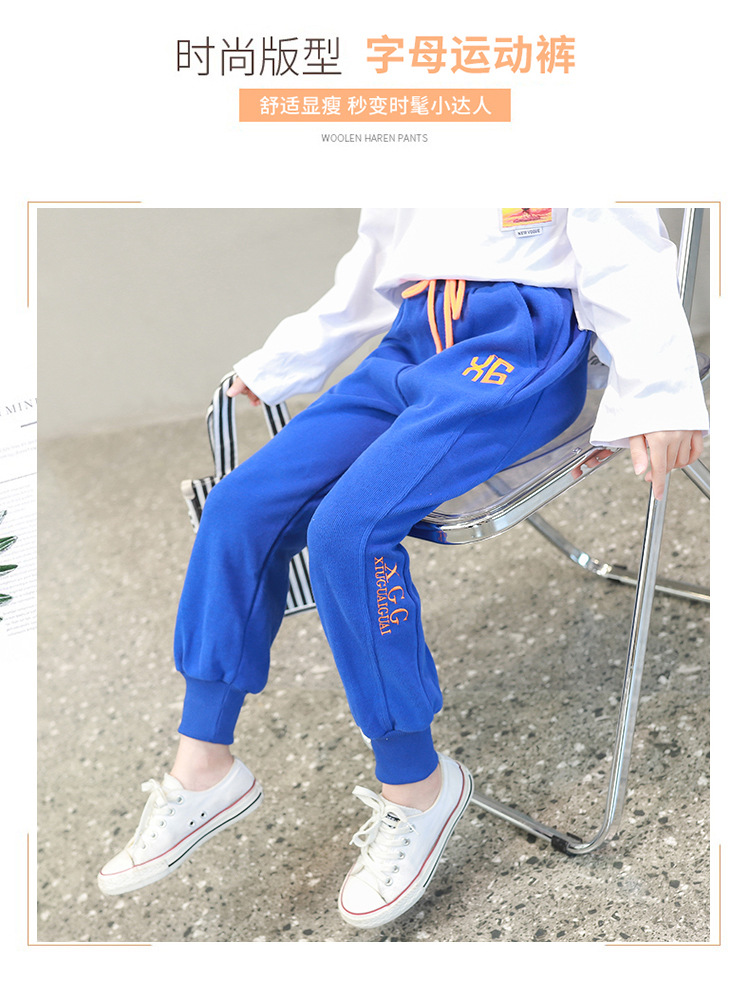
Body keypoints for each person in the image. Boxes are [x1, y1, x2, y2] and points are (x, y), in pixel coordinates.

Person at [97, 208, 708, 929]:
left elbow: (625, 246)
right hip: (412, 340)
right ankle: (204, 765)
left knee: (348, 533)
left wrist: (660, 391)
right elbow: (375, 261)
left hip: (517, 346)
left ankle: (418, 785)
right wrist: (286, 358)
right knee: (238, 508)